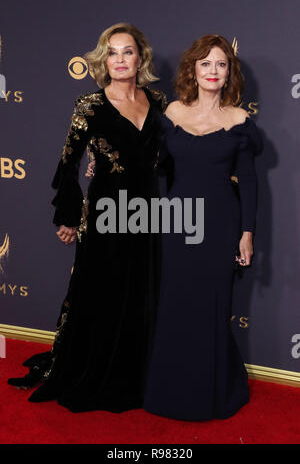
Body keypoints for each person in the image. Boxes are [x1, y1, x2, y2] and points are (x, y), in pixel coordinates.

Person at [8, 23, 167, 413]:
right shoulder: (89, 105)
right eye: (111, 52)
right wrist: (67, 217)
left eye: (127, 51)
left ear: (141, 57)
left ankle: (139, 373)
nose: (119, 60)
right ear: (103, 60)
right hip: (105, 213)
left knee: (142, 292)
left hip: (148, 213)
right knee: (102, 291)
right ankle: (94, 371)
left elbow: (171, 156)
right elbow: (68, 164)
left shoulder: (160, 101)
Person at [143, 34, 263, 420]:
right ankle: (170, 390)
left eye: (221, 64)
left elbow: (248, 181)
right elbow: (155, 169)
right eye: (206, 63)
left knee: (212, 307)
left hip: (221, 225)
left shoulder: (240, 121)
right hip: (177, 224)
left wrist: (247, 233)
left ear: (230, 73)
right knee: (176, 305)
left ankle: (212, 392)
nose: (213, 71)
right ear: (193, 70)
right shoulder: (172, 113)